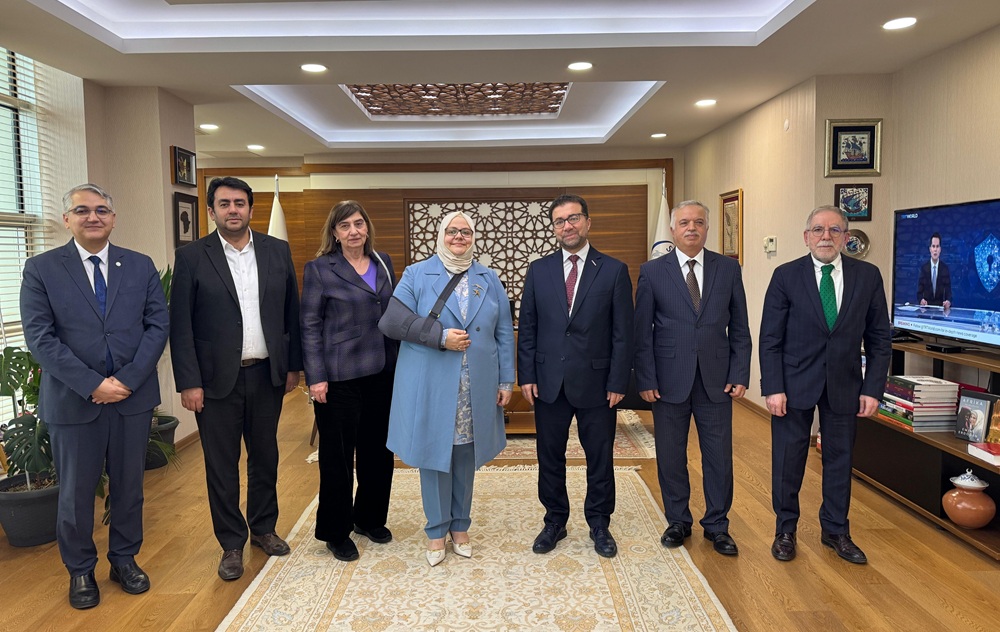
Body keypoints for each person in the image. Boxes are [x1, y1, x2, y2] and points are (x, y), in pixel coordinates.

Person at [20, 184, 169, 609]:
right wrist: (92, 384)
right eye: (82, 210)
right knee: (75, 494)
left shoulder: (139, 266)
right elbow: (40, 338)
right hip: (73, 402)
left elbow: (158, 325)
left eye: (101, 210)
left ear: (113, 219)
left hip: (131, 399)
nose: (93, 217)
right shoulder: (41, 269)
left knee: (129, 487)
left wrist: (127, 380)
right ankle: (81, 570)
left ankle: (124, 560)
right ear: (66, 219)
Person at [170, 176, 303, 581]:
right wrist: (189, 382)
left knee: (265, 456)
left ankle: (263, 528)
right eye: (225, 204)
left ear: (250, 209)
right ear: (211, 211)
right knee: (222, 465)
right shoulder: (192, 256)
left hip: (266, 374)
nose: (233, 210)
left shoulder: (276, 250)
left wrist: (293, 366)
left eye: (240, 203)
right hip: (214, 382)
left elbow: (291, 313)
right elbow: (181, 325)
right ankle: (231, 543)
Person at [760, 205, 891, 565]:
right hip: (793, 384)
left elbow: (880, 339)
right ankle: (785, 530)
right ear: (806, 237)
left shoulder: (867, 276)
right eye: (818, 230)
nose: (826, 236)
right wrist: (773, 387)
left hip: (846, 385)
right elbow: (770, 339)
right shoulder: (786, 276)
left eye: (835, 230)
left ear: (846, 238)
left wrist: (872, 388)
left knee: (840, 461)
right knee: (788, 461)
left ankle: (836, 531)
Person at [385, 211, 514, 566]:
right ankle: (436, 529)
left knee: (465, 455)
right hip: (432, 382)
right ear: (441, 235)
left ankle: (460, 526)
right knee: (434, 454)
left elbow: (503, 331)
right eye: (452, 231)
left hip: (476, 384)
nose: (459, 236)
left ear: (473, 238)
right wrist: (440, 337)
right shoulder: (416, 274)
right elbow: (393, 322)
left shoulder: (488, 277)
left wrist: (506, 380)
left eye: (466, 232)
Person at [518, 194, 634, 559]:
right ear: (554, 228)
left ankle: (599, 523)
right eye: (559, 221)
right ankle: (555, 520)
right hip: (548, 382)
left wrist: (618, 381)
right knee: (549, 456)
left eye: (573, 218)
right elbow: (528, 327)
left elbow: (623, 333)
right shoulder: (538, 270)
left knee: (599, 457)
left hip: (598, 384)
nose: (567, 226)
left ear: (587, 222)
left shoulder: (613, 270)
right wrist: (527, 375)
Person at [633, 201, 751, 556]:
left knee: (719, 457)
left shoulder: (727, 269)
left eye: (698, 222)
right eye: (684, 222)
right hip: (668, 379)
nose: (691, 228)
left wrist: (740, 372)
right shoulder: (652, 272)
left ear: (707, 228)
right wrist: (646, 378)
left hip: (717, 379)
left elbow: (740, 326)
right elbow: (642, 333)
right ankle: (678, 521)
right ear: (672, 230)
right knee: (671, 455)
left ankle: (717, 525)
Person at [300, 201, 399, 562]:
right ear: (335, 233)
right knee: (337, 458)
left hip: (382, 372)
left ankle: (369, 518)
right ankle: (336, 531)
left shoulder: (383, 262)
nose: (354, 231)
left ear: (367, 227)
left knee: (378, 452)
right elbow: (309, 325)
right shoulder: (320, 269)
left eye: (359, 223)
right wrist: (316, 377)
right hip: (339, 377)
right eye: (345, 226)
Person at [917, 232, 951, 307]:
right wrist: (921, 300)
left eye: (937, 246)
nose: (935, 249)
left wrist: (948, 301)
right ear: (930, 249)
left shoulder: (945, 269)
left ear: (940, 249)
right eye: (933, 246)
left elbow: (948, 291)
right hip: (926, 310)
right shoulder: (924, 269)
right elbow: (919, 292)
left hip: (940, 310)